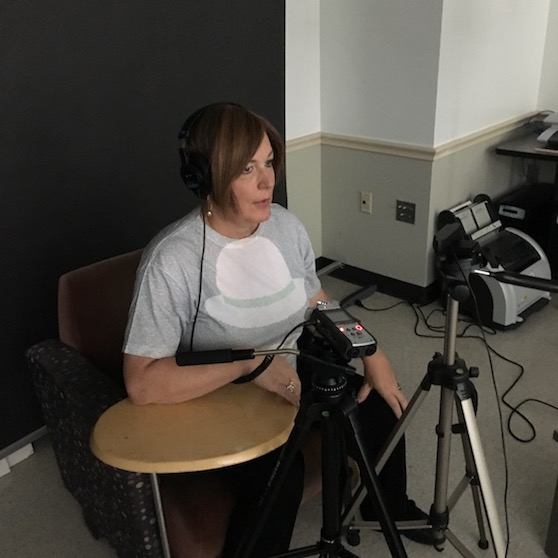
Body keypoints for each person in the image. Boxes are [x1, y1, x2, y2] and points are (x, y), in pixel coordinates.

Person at [122, 102, 432, 557]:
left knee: (380, 407)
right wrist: (252, 364)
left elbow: (315, 298)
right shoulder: (173, 260)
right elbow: (143, 382)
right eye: (248, 168)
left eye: (269, 162)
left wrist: (371, 351)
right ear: (205, 177)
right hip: (215, 399)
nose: (268, 181)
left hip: (291, 367)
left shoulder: (284, 226)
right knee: (280, 483)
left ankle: (388, 507)